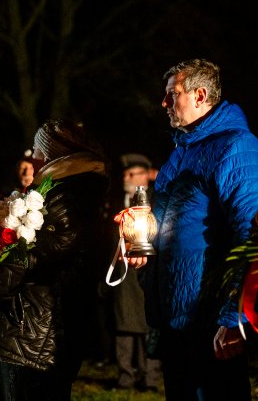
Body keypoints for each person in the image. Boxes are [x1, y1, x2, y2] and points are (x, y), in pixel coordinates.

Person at [128, 58, 258, 400]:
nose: (164, 102)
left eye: (172, 94)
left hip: (210, 318)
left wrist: (234, 317)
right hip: (177, 317)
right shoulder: (181, 152)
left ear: (200, 95)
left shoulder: (237, 147)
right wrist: (139, 232)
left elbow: (253, 235)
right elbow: (172, 222)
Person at [0, 119, 110, 400]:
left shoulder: (65, 201)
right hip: (32, 334)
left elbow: (24, 260)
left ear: (53, 154)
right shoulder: (62, 194)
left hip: (33, 336)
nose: (33, 159)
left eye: (37, 150)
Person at [109, 153, 162, 391]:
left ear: (147, 175)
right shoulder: (115, 202)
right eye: (125, 174)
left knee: (148, 324)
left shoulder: (155, 202)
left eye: (133, 173)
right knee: (124, 323)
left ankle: (149, 376)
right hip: (122, 273)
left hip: (147, 270)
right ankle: (126, 375)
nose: (127, 178)